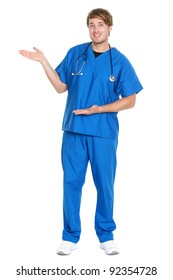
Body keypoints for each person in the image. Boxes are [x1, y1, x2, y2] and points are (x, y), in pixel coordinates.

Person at [19, 8, 143, 255]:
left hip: (103, 133)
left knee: (104, 185)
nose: (95, 30)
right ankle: (69, 236)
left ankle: (106, 235)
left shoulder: (119, 61)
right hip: (73, 131)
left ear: (110, 28)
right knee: (71, 183)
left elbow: (130, 100)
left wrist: (100, 109)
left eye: (100, 25)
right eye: (91, 25)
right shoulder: (77, 53)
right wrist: (43, 61)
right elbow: (60, 87)